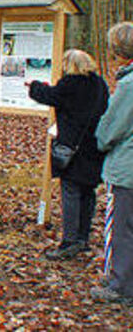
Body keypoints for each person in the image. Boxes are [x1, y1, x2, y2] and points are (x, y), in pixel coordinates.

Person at [28, 49, 109, 260]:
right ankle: (82, 238)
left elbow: (49, 96)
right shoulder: (99, 84)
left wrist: (34, 85)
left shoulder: (70, 84)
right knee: (88, 191)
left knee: (71, 191)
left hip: (72, 147)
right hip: (94, 145)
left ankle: (69, 242)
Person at [92, 22, 133, 303]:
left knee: (120, 228)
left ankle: (120, 284)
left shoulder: (129, 85)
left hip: (127, 169)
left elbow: (109, 130)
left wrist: (100, 137)